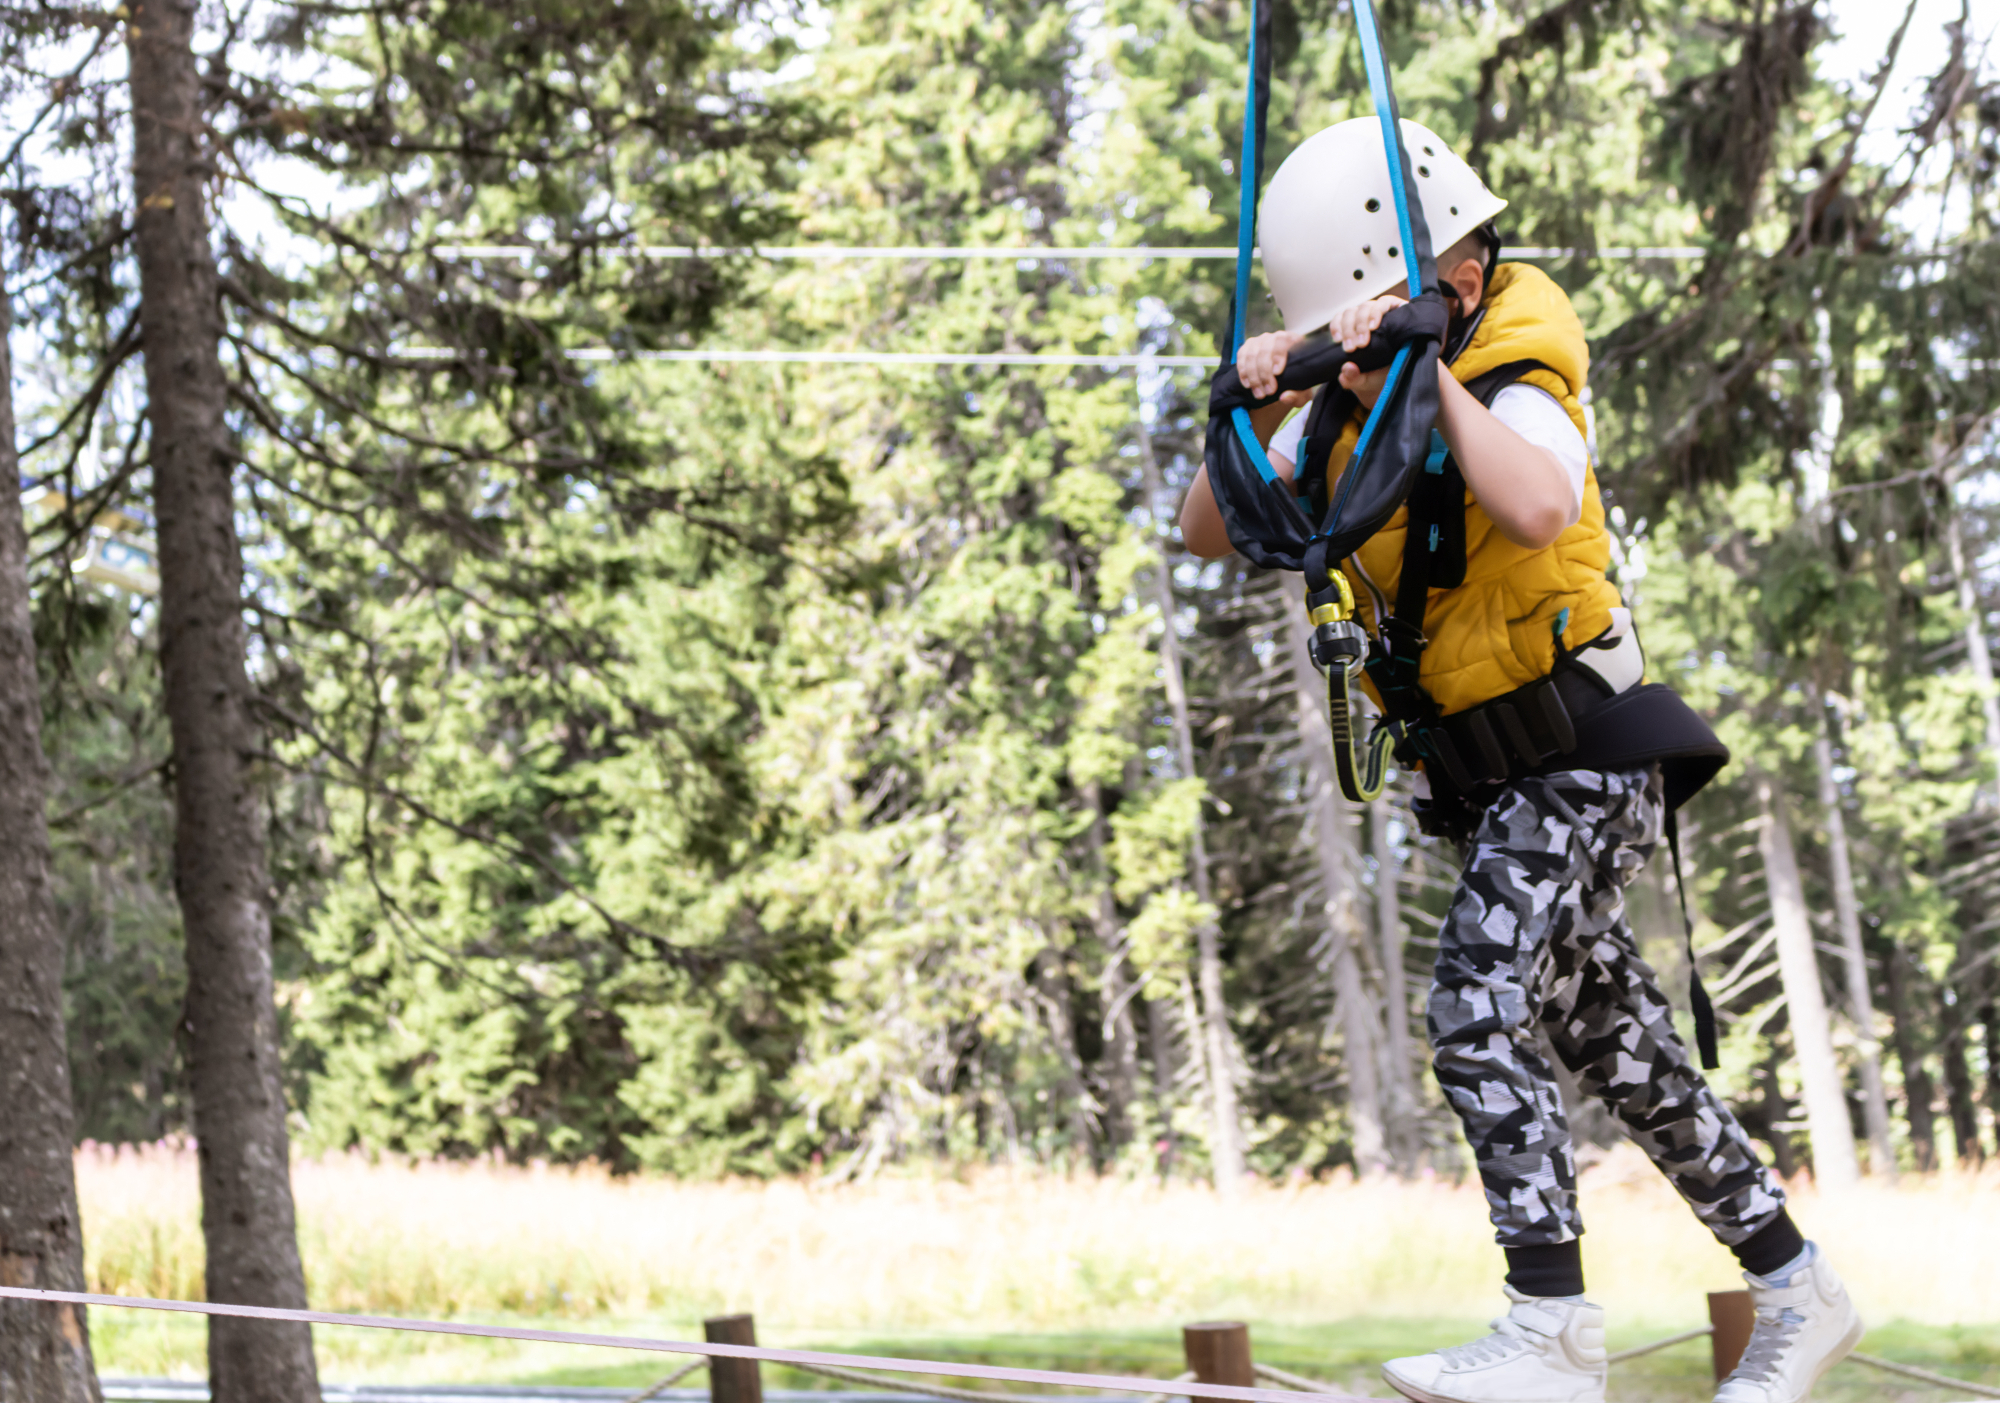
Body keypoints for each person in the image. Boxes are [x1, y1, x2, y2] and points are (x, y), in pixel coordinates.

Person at [1179, 117, 1864, 1403]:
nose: (1352, 341)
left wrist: (1423, 365)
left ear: (1462, 282)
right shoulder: (1334, 408)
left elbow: (1539, 505)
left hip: (1582, 748)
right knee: (1612, 1041)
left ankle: (1547, 1320)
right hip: (1491, 783)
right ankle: (1794, 1280)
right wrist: (1265, 391)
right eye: (1340, 321)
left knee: (1473, 998)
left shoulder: (1513, 374)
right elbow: (1208, 530)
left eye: (1371, 311)